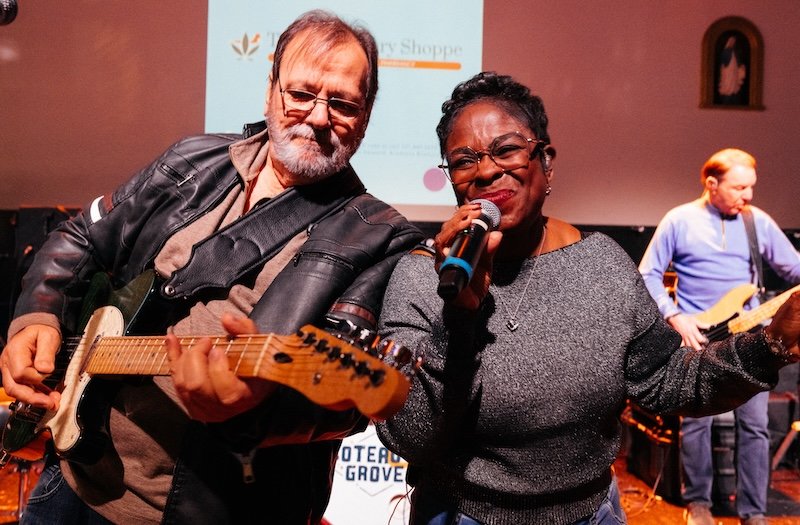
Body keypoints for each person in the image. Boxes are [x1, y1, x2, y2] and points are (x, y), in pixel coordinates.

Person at [0, 10, 422, 525]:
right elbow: (83, 235)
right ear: (271, 87)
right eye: (302, 93)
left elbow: (342, 408)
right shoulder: (192, 160)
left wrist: (251, 412)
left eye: (342, 103)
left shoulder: (381, 236)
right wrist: (38, 314)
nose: (317, 116)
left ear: (367, 113)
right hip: (70, 482)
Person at [373, 71, 800, 525]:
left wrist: (771, 343)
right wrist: (458, 318)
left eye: (507, 150)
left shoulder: (602, 266)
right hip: (462, 515)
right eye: (463, 160)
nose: (486, 170)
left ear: (546, 162)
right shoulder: (424, 278)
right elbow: (410, 433)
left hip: (590, 514)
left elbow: (669, 381)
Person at [638, 148, 800, 525]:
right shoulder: (679, 220)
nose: (748, 196)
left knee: (755, 426)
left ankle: (753, 511)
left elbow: (794, 268)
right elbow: (648, 274)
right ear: (712, 184)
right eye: (740, 187)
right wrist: (675, 316)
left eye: (751, 187)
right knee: (697, 421)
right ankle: (699, 502)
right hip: (701, 338)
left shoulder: (756, 221)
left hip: (754, 341)